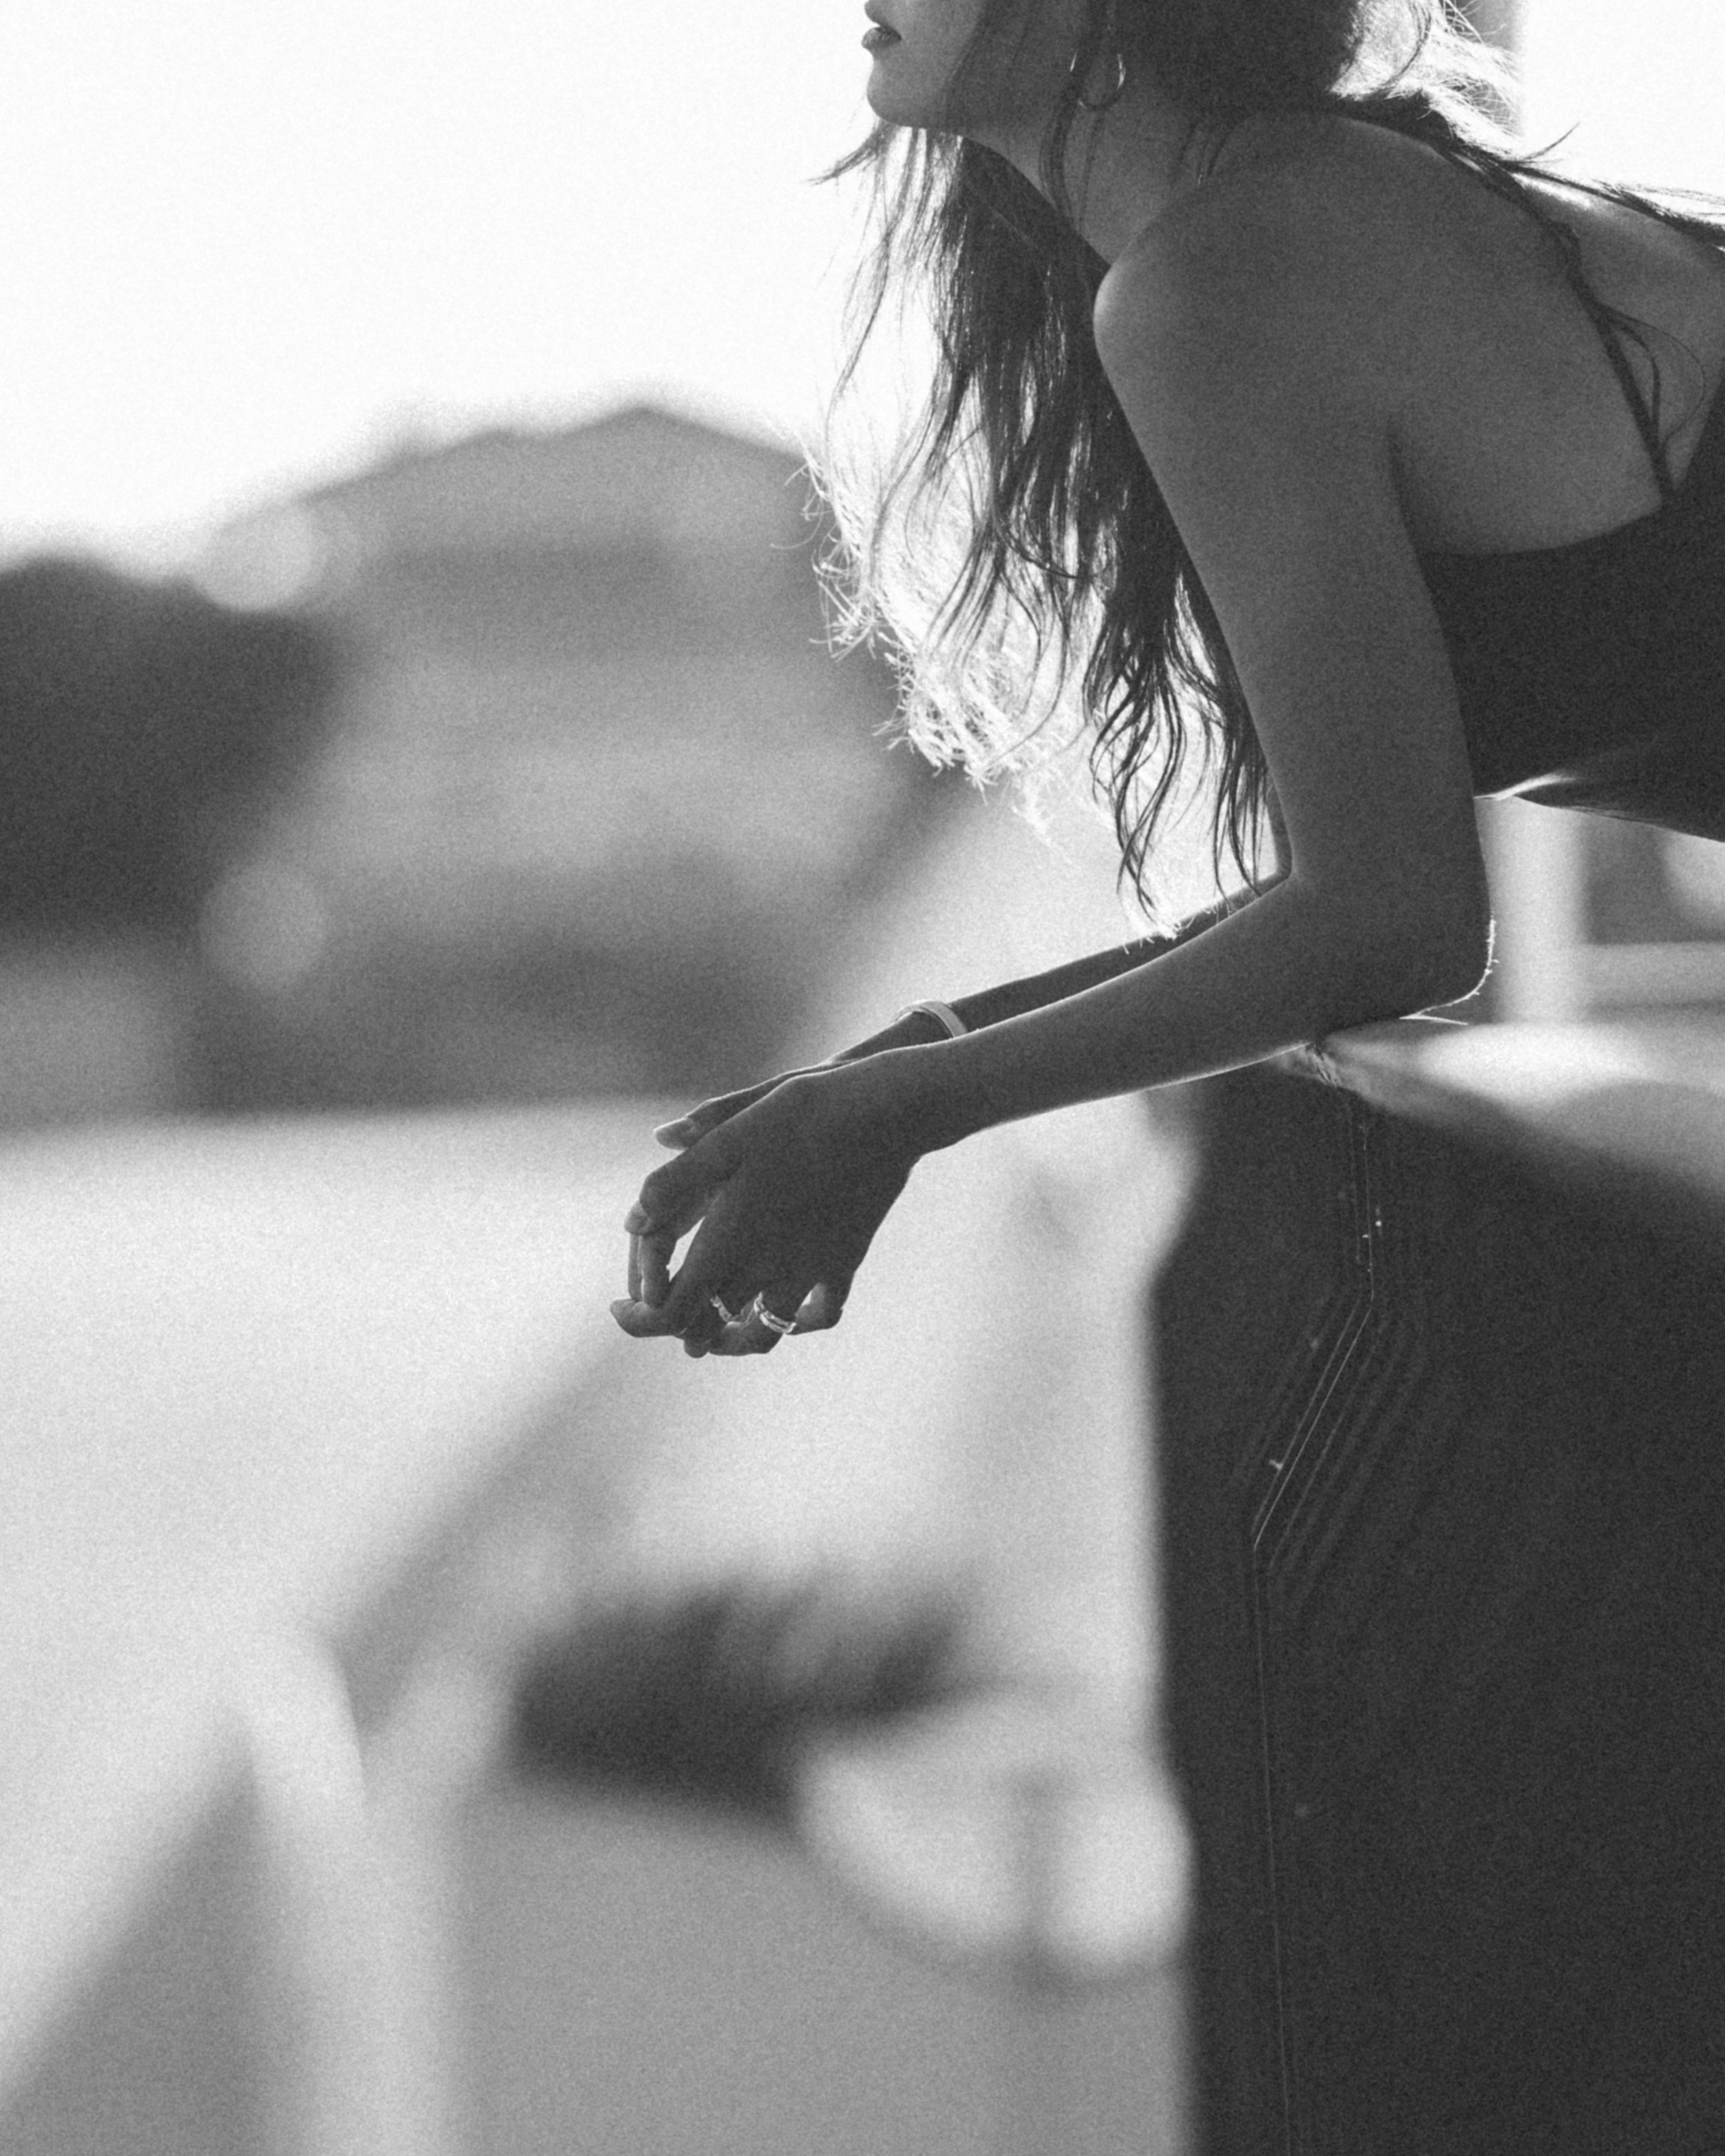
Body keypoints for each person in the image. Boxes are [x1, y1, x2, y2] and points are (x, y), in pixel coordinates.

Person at [612, 0, 1725, 1359]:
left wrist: (906, 1107)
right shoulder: (1312, 208)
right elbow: (1374, 885)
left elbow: (1395, 921)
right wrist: (918, 1049)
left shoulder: (1229, 274)